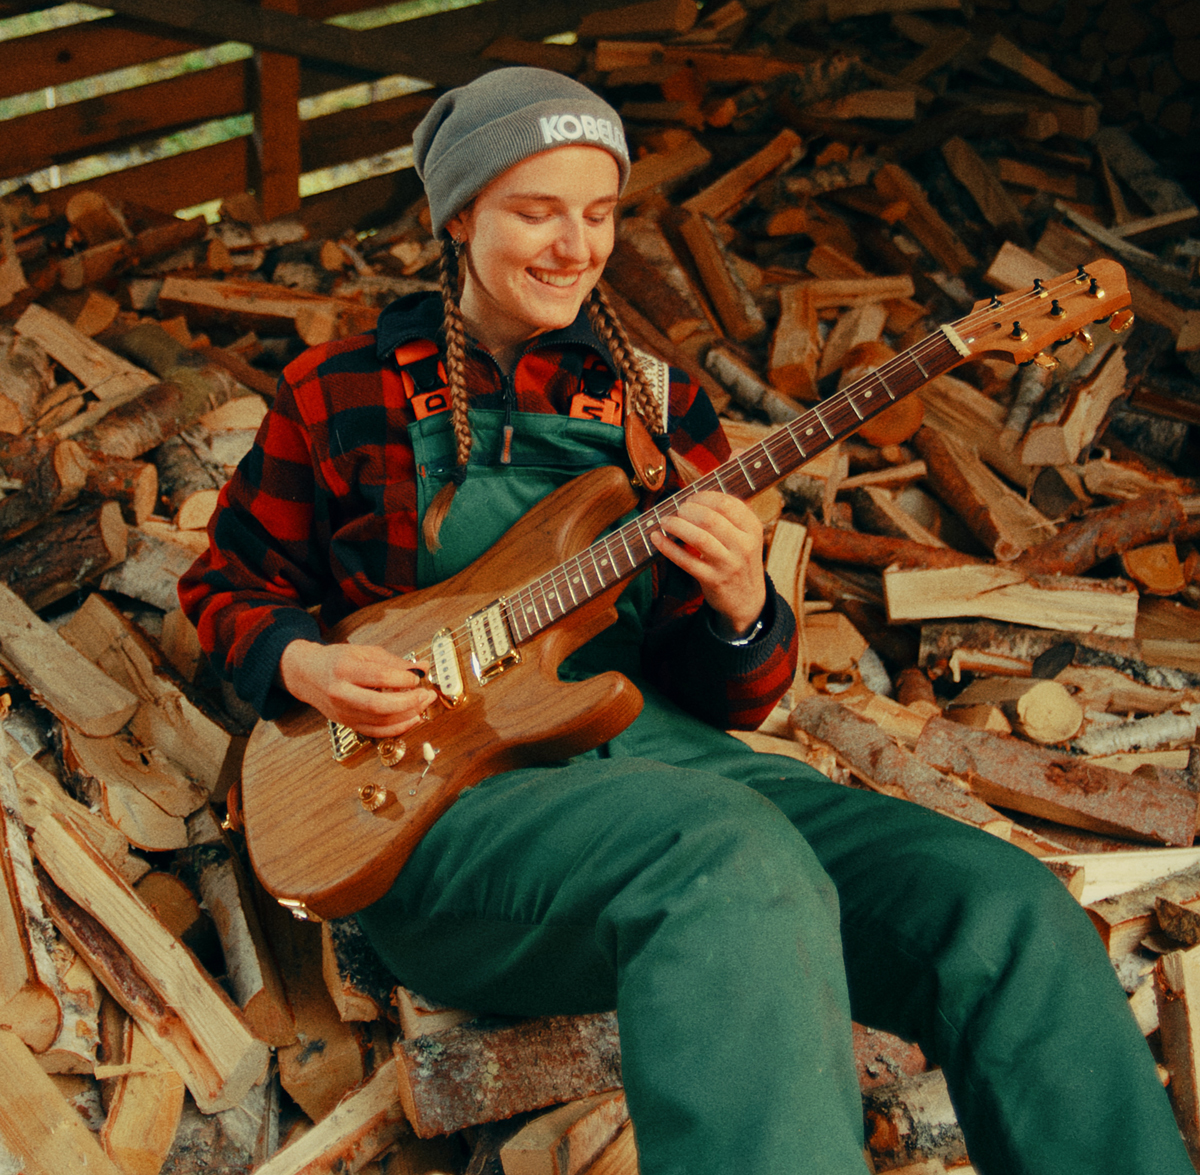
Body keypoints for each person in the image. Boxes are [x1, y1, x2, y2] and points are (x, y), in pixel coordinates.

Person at [180, 68, 1194, 1175]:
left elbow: (728, 697)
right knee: (725, 856)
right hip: (443, 808)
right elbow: (229, 588)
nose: (576, 246)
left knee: (996, 903)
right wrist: (308, 666)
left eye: (600, 212)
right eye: (538, 211)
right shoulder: (340, 390)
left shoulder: (657, 409)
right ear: (459, 216)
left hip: (664, 765)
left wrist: (741, 604)